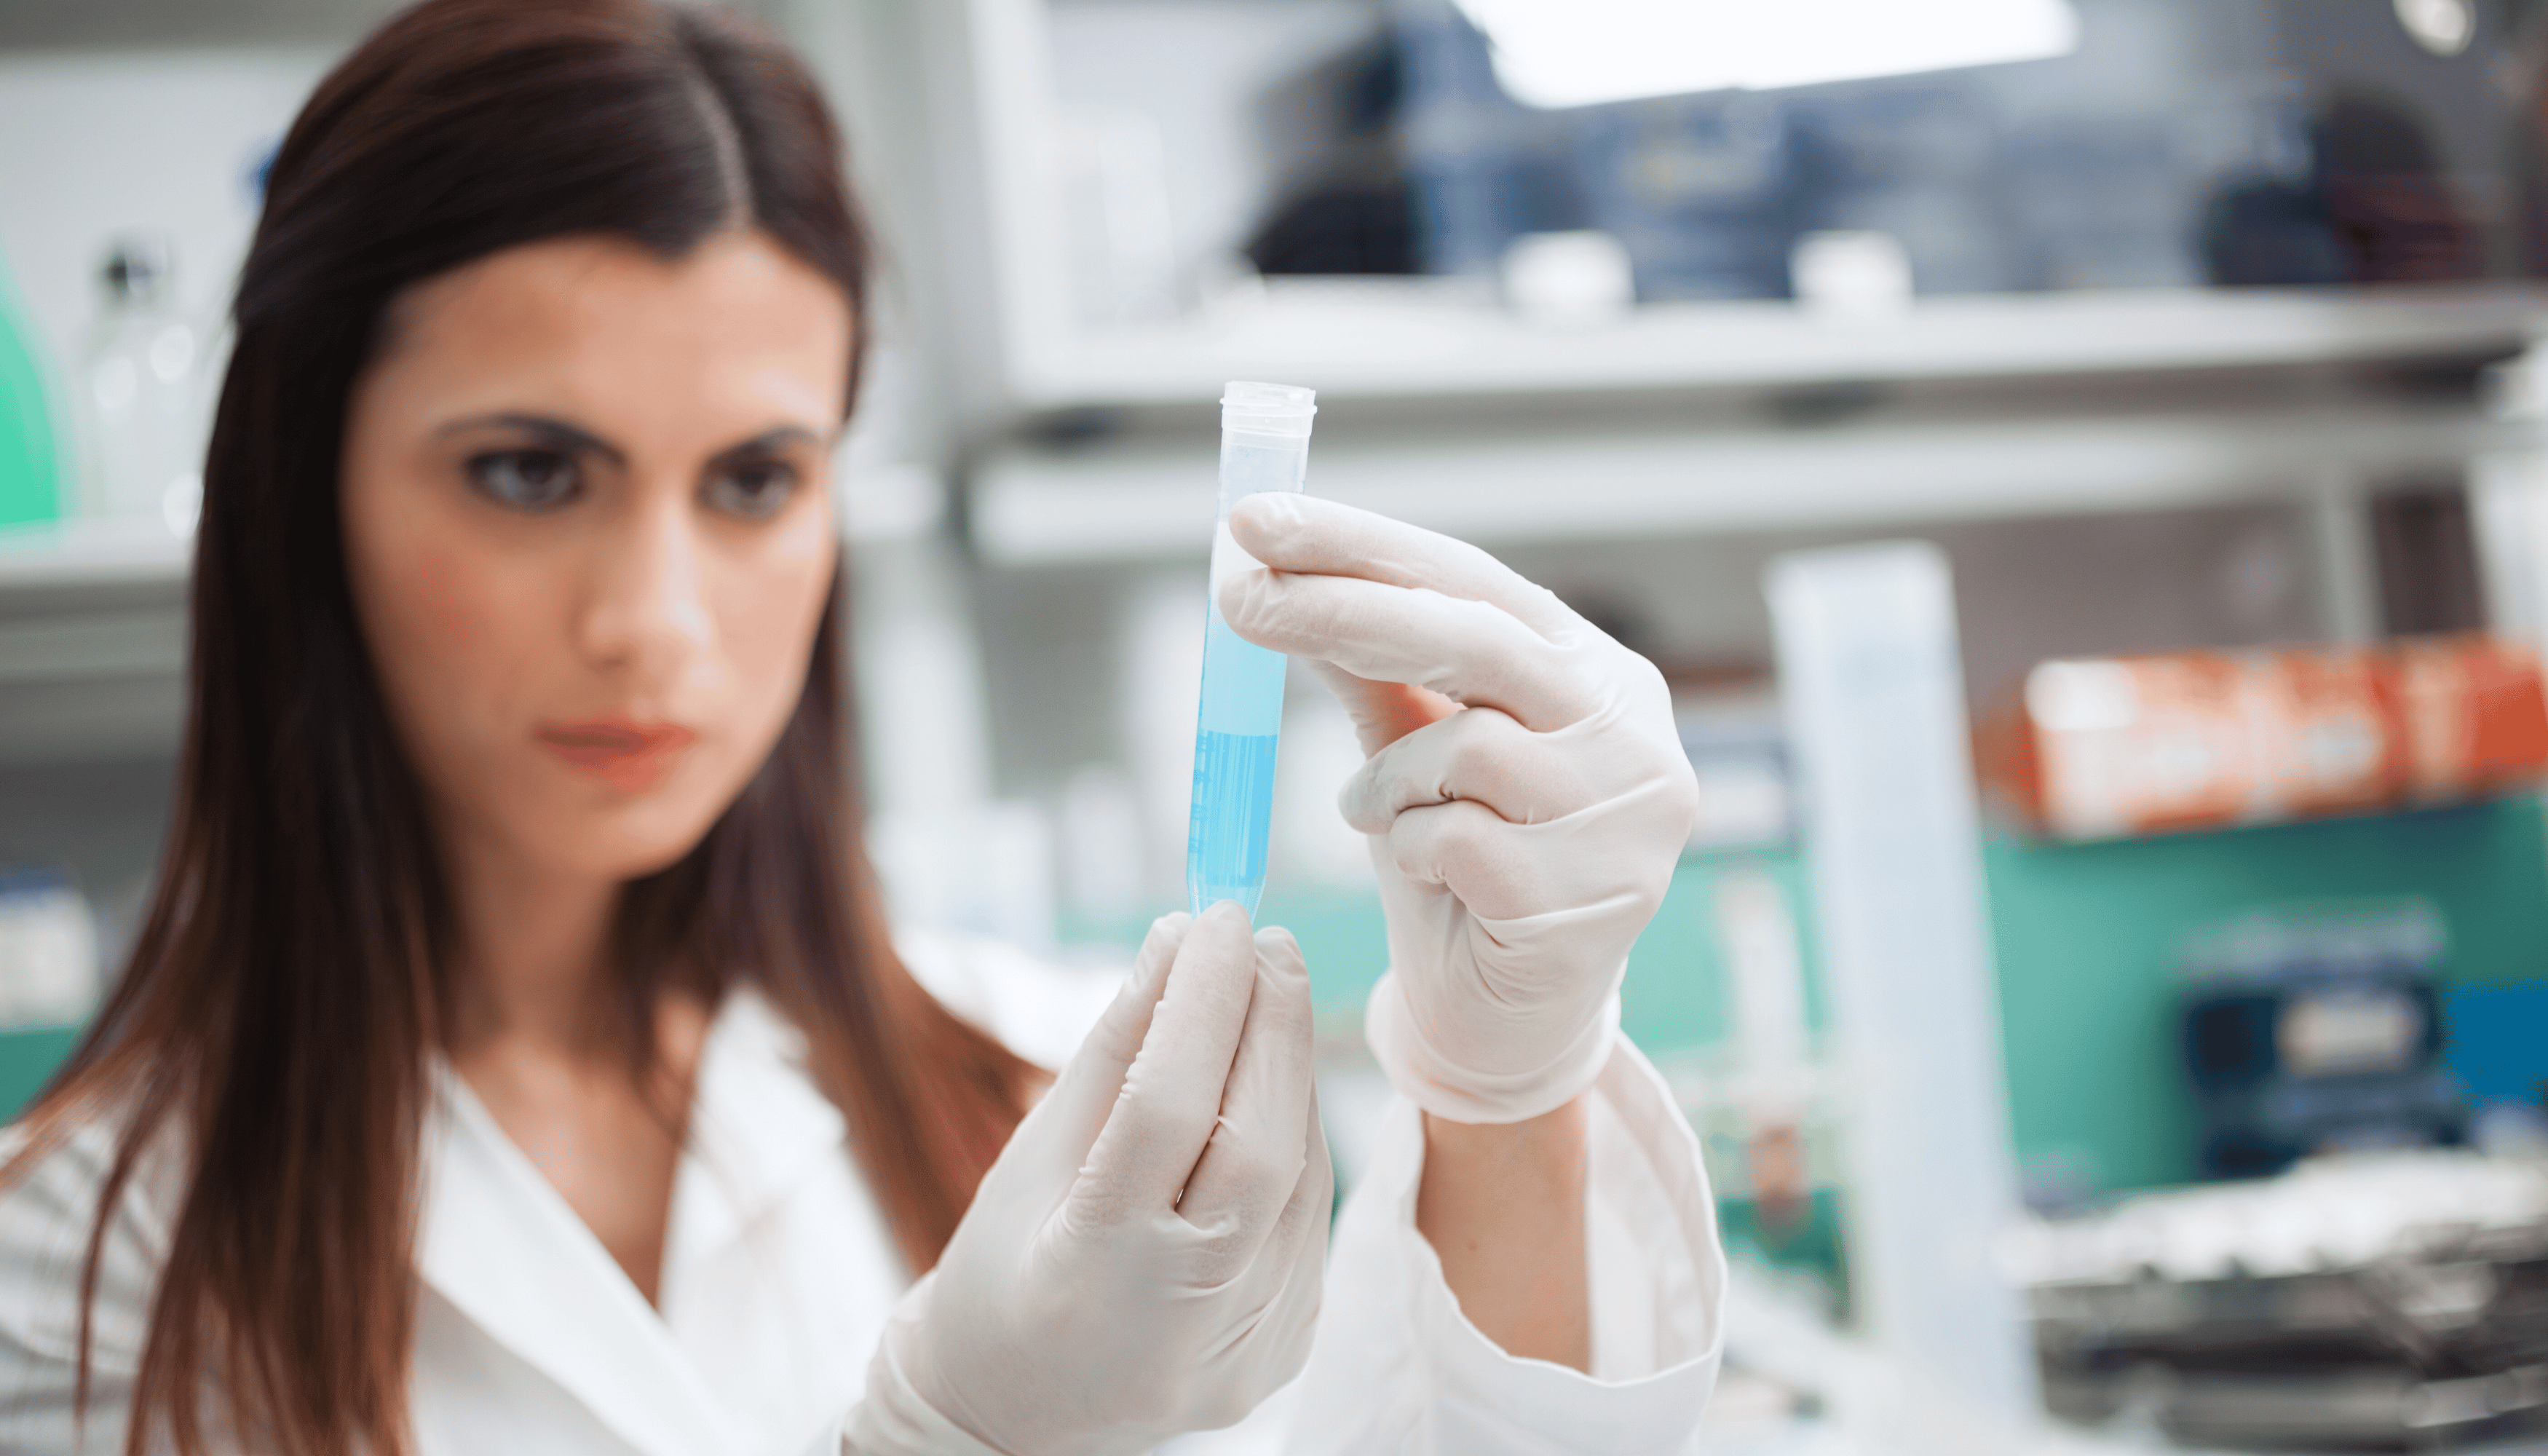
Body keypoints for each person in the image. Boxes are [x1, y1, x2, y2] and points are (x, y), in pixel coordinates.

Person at [0, 2, 1724, 1452]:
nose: (655, 622)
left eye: (754, 480)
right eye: (529, 471)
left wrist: (1518, 1090)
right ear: (302, 491)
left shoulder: (1043, 1084)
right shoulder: (71, 1256)